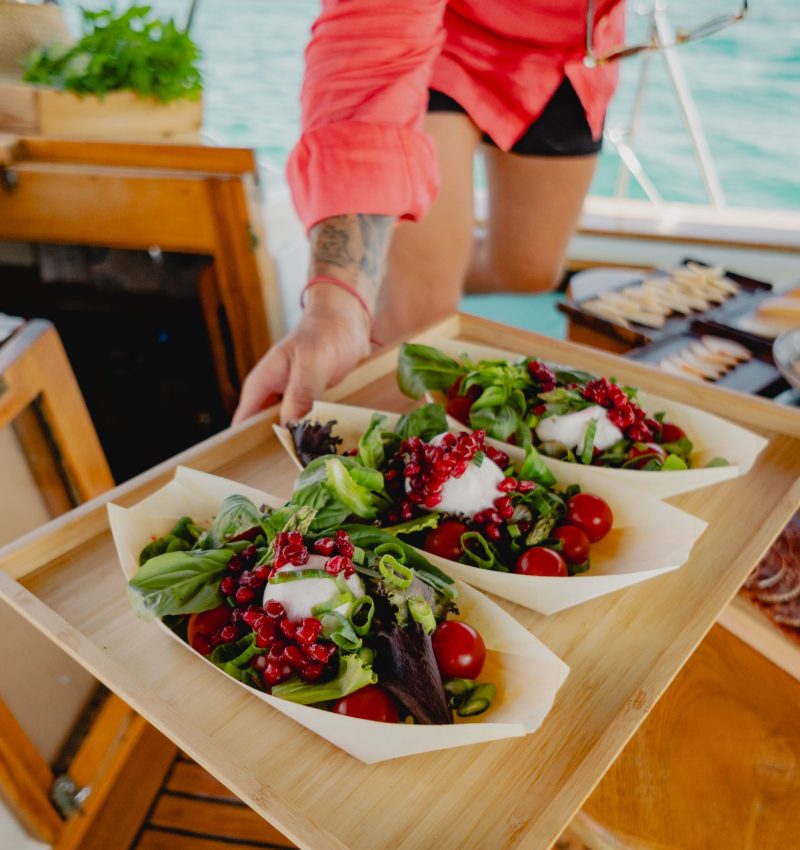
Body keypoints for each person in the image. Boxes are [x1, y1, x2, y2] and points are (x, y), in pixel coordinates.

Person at [233, 0, 625, 426]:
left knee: (530, 271)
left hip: (572, 50)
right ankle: (391, 293)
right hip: (445, 38)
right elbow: (370, 50)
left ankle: (399, 267)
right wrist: (336, 305)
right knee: (421, 318)